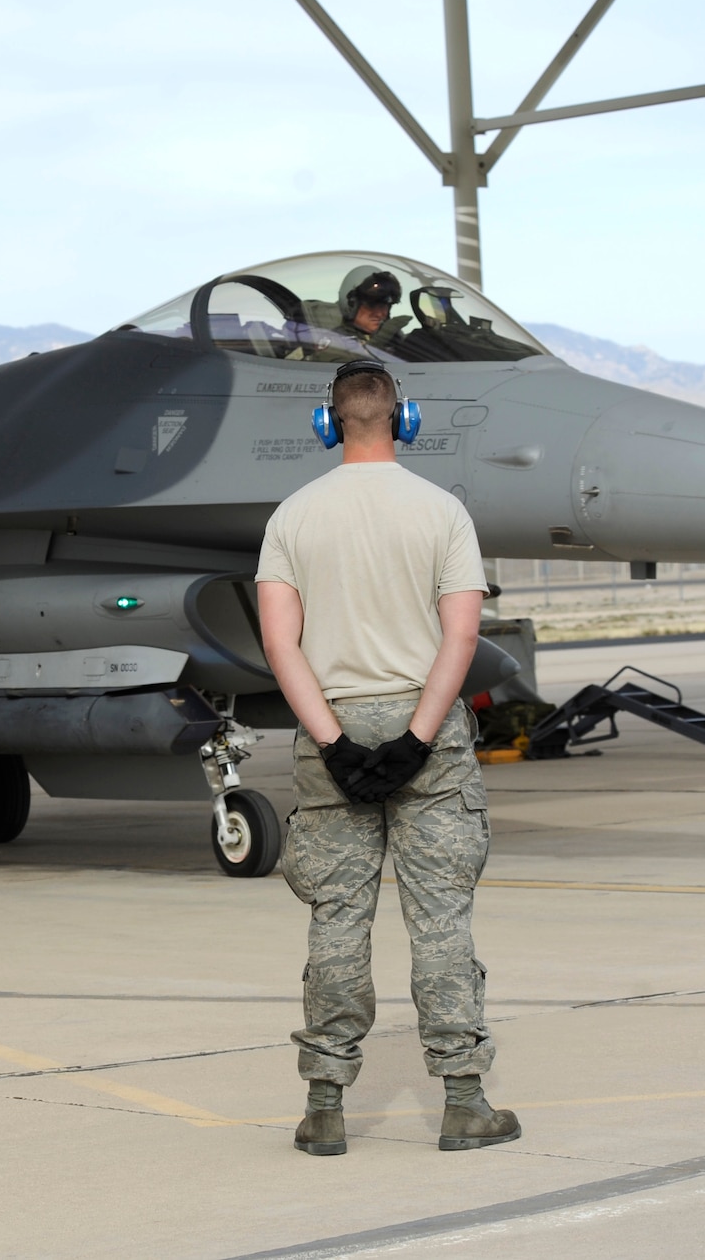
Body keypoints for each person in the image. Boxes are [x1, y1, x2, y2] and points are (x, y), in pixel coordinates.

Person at [255, 359, 520, 1158]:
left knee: (338, 917)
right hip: (426, 729)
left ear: (327, 422)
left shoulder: (292, 518)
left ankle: (326, 1105)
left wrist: (335, 745)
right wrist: (416, 737)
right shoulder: (442, 513)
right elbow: (462, 636)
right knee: (440, 918)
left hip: (330, 722)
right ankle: (465, 1102)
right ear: (405, 419)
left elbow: (279, 642)